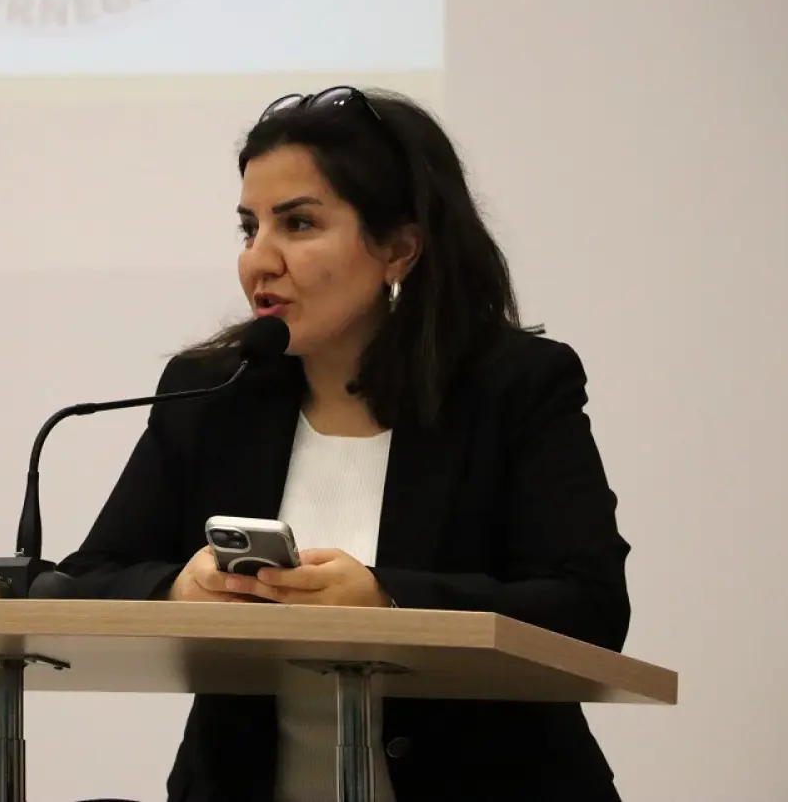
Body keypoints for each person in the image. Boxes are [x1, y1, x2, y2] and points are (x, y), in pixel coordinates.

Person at [55, 86, 631, 802]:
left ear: (398, 249)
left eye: (298, 224)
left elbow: (589, 608)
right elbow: (84, 579)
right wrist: (181, 588)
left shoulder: (513, 387)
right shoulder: (217, 393)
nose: (259, 261)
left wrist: (387, 602)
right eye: (249, 228)